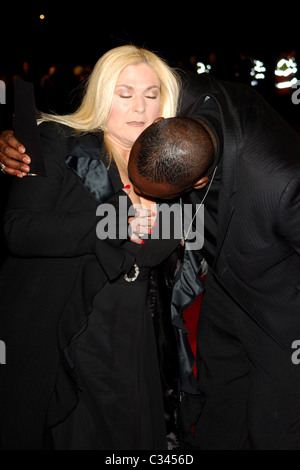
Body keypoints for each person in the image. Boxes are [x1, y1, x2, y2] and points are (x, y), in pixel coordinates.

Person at [0, 45, 182, 450]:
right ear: (102, 95)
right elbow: (19, 229)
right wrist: (111, 224)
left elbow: (157, 253)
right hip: (71, 331)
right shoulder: (59, 143)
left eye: (151, 95)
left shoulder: (170, 165)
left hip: (136, 336)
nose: (139, 107)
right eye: (125, 93)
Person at [127, 77, 300, 450]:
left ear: (201, 180)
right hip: (224, 284)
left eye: (150, 195)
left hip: (282, 307)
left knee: (273, 426)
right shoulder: (173, 89)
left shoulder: (282, 185)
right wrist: (23, 140)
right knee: (216, 402)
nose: (136, 195)